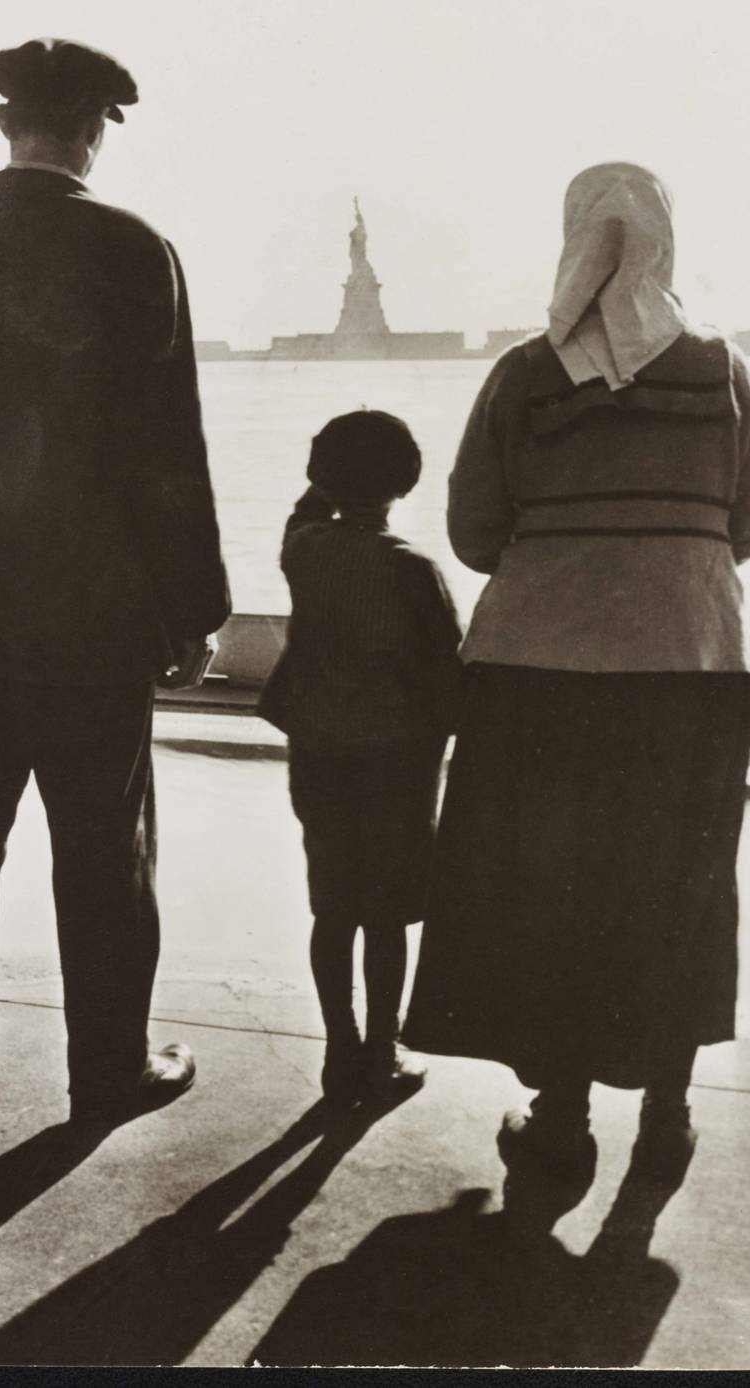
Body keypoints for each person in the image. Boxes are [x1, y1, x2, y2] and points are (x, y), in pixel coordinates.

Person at [0, 38, 230, 1132]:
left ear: (4, 123)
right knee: (101, 856)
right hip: (91, 620)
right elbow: (167, 449)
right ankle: (107, 1071)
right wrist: (193, 606)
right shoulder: (131, 249)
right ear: (93, 129)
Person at [404, 162, 750, 1215]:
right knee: (677, 875)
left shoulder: (526, 374)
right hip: (691, 665)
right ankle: (666, 1106)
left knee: (547, 886)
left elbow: (474, 528)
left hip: (538, 672)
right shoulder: (724, 372)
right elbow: (749, 524)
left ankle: (558, 1115)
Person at [258, 411, 463, 1107]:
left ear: (321, 477)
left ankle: (339, 1049)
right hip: (394, 766)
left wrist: (322, 479)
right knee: (384, 913)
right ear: (408, 483)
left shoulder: (305, 552)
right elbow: (449, 679)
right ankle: (382, 1049)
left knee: (332, 907)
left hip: (317, 754)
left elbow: (303, 514)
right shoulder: (415, 571)